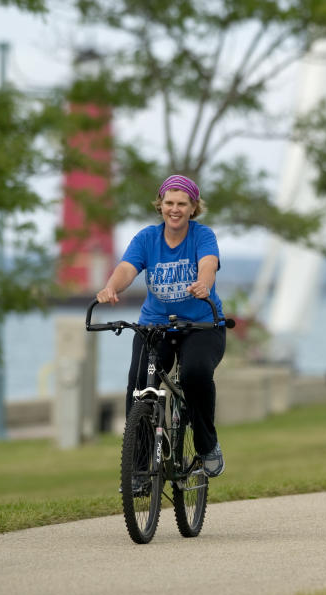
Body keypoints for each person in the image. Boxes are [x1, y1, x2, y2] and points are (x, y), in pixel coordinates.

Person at [95, 174, 227, 480]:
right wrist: (112, 287)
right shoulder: (146, 238)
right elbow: (127, 268)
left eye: (182, 203)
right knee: (140, 385)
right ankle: (140, 466)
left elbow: (208, 264)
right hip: (156, 326)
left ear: (194, 207)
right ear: (160, 205)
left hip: (201, 325)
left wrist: (204, 285)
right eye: (169, 203)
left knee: (195, 375)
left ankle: (207, 445)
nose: (175, 209)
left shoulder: (202, 236)